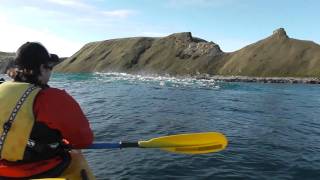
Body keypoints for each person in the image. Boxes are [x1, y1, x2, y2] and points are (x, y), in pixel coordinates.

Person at [0, 42, 95, 179]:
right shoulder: (52, 98)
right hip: (41, 169)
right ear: (42, 68)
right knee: (76, 158)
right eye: (50, 67)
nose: (50, 72)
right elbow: (83, 140)